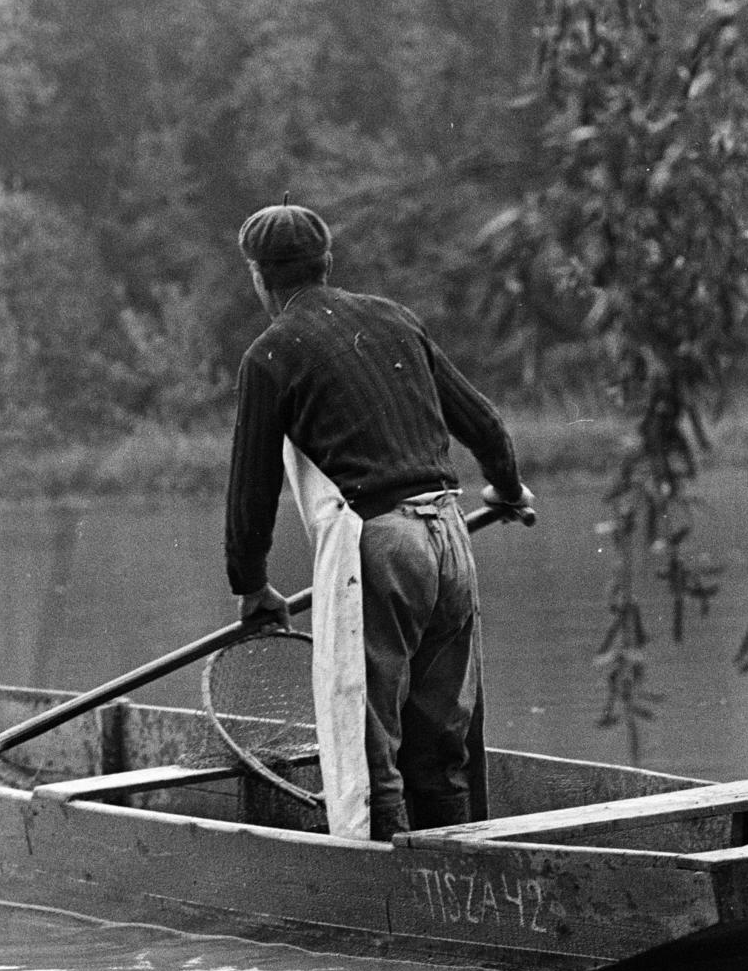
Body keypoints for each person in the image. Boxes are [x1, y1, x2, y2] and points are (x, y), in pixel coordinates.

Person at [225, 199, 534, 842]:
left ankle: (387, 878)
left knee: (370, 756)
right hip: (449, 537)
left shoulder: (270, 354)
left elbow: (252, 491)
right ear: (327, 263)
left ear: (258, 277)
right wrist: (506, 488)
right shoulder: (395, 318)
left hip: (382, 548)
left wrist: (252, 588)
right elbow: (484, 424)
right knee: (442, 741)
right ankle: (452, 865)